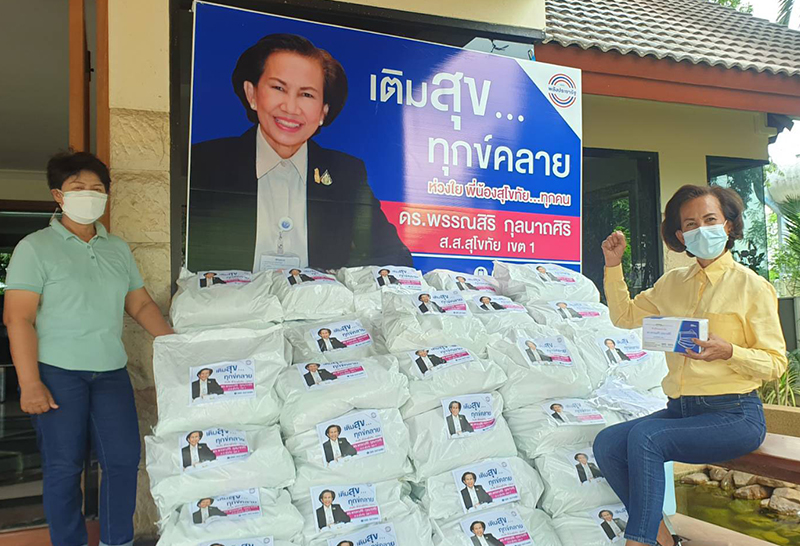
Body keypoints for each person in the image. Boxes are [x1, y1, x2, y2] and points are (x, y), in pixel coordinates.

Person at [593, 185, 786, 546]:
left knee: (647, 438)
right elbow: (624, 316)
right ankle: (663, 537)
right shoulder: (672, 284)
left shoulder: (752, 287)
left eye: (710, 219)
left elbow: (775, 363)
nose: (702, 229)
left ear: (728, 225)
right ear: (681, 236)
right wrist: (613, 265)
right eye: (691, 224)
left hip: (735, 414)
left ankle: (639, 542)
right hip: (681, 411)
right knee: (608, 443)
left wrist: (729, 351)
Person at [3, 152, 174, 546]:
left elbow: (140, 305)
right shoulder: (35, 247)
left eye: (97, 188)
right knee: (64, 467)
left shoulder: (117, 248)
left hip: (110, 373)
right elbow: (18, 318)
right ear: (58, 195)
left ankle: (118, 541)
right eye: (78, 187)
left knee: (123, 460)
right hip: (57, 374)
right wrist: (30, 383)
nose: (89, 195)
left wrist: (175, 344)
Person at [187, 33, 412, 272]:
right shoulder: (205, 162)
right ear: (252, 94)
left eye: (307, 94)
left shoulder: (346, 174)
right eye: (278, 88)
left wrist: (341, 282)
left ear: (323, 111)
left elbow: (396, 259)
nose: (290, 108)